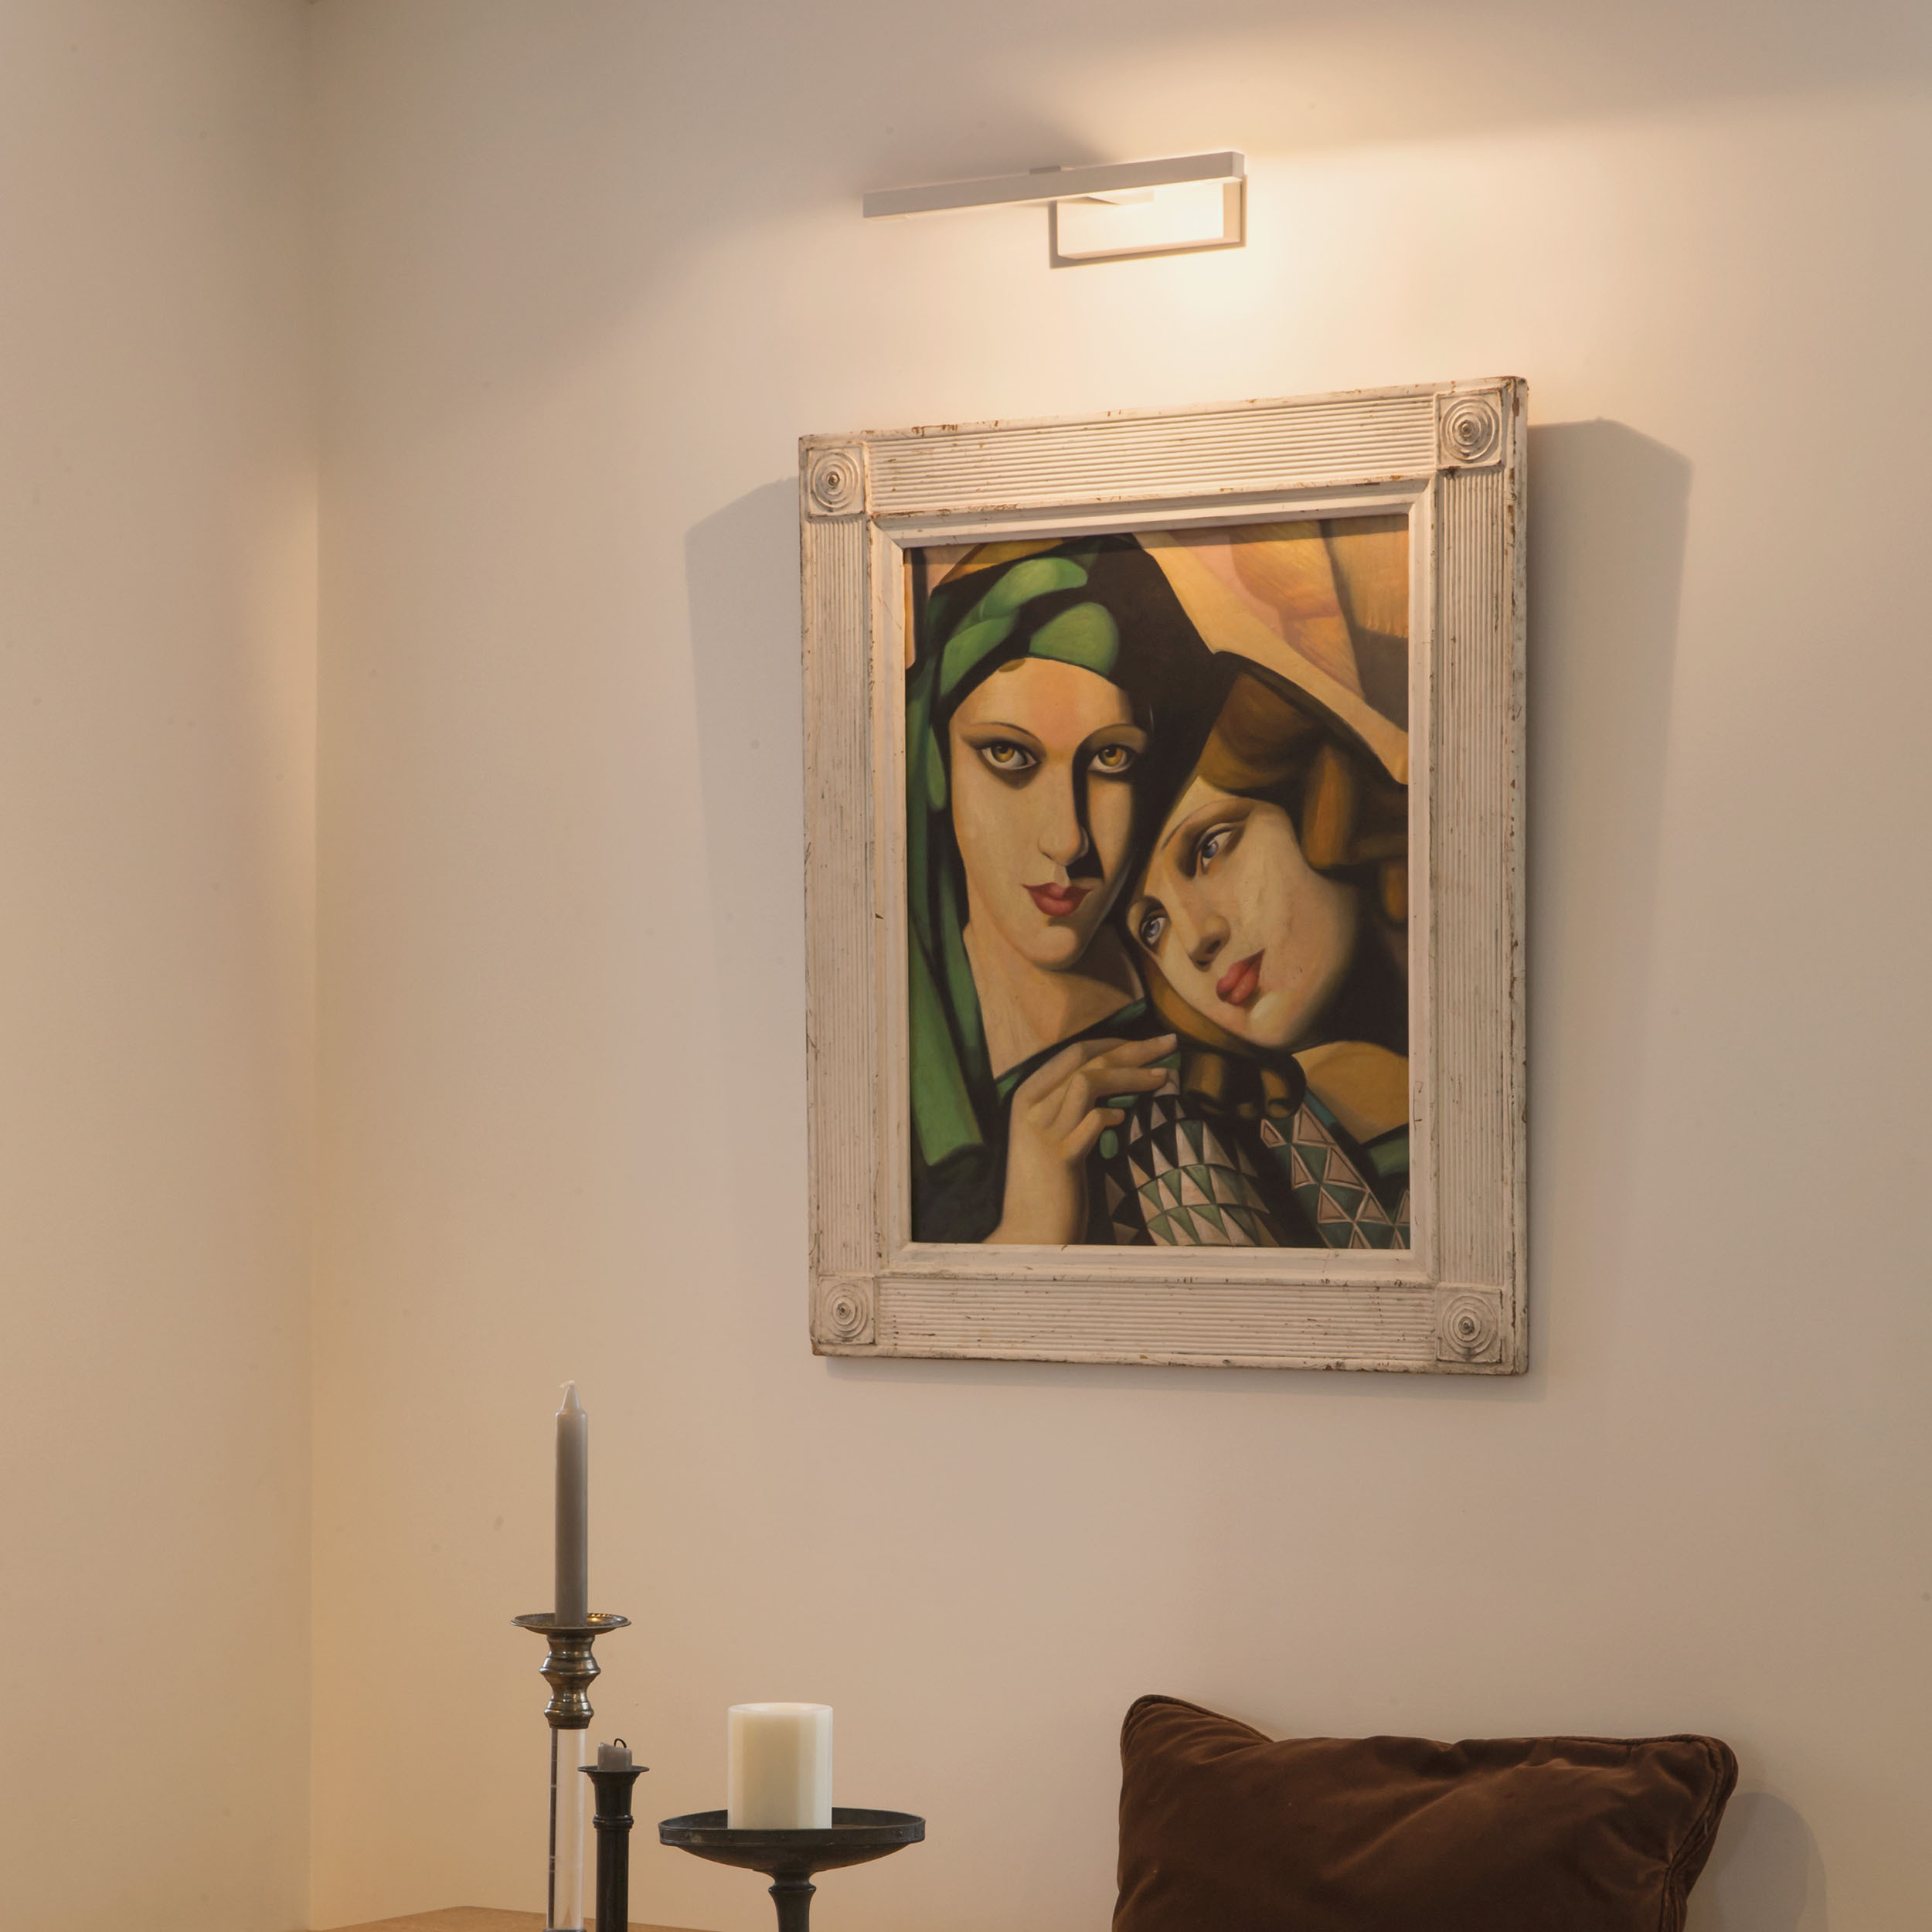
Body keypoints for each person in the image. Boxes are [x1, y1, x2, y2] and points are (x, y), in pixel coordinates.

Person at [906, 536, 1215, 1243]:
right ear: (935, 765)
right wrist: (1028, 1231)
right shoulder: (879, 1071)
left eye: (1111, 758)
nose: (1067, 839)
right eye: (1007, 754)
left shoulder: (1222, 1030)